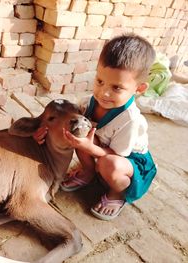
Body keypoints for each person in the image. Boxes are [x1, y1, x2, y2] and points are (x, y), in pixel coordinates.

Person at [34, 34, 157, 220]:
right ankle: (89, 172)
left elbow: (116, 155)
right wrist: (43, 131)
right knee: (78, 131)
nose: (104, 93)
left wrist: (90, 148)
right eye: (100, 81)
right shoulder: (90, 102)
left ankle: (118, 194)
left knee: (110, 165)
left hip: (127, 161)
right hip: (103, 147)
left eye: (116, 88)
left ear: (139, 89)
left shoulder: (130, 120)